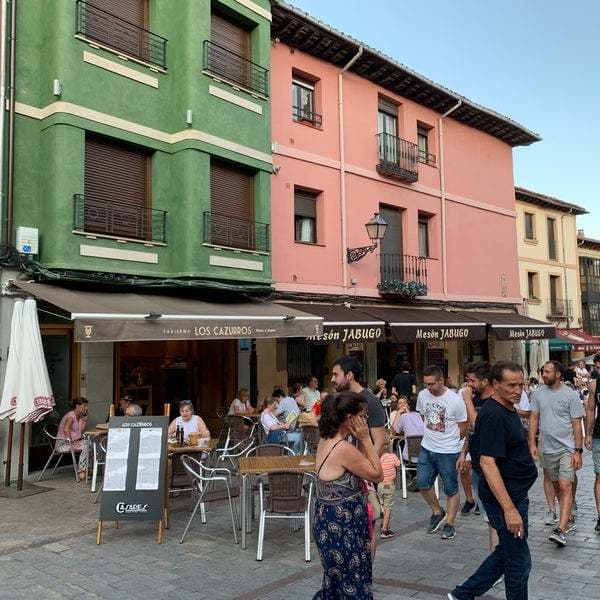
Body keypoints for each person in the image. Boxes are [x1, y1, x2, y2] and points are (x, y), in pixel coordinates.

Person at [449, 361, 538, 600]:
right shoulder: (493, 415)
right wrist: (509, 509)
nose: (518, 390)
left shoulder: (507, 408)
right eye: (511, 385)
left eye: (521, 384)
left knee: (507, 552)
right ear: (495, 384)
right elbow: (487, 463)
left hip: (516, 493)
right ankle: (463, 594)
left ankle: (462, 594)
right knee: (519, 562)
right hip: (505, 499)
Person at [313, 392, 383, 599]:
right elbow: (377, 474)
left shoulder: (327, 438)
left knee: (337, 583)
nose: (365, 421)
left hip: (329, 519)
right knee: (352, 584)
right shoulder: (342, 448)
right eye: (363, 416)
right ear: (350, 418)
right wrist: (365, 438)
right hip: (343, 524)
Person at [330, 356, 387, 558]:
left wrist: (366, 468)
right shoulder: (340, 401)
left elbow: (381, 439)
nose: (332, 379)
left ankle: (365, 573)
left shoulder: (369, 401)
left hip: (363, 475)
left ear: (349, 375)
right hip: (345, 475)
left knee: (368, 524)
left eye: (336, 374)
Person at [529, 360, 585, 546]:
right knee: (556, 486)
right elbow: (534, 418)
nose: (544, 375)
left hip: (567, 448)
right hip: (547, 448)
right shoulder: (537, 394)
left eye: (547, 372)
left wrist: (578, 451)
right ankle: (566, 516)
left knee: (565, 485)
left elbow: (577, 424)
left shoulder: (570, 395)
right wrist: (532, 443)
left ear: (559, 374)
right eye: (542, 371)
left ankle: (560, 529)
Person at [416, 365, 468, 540]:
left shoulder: (455, 400)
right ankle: (437, 511)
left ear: (441, 380)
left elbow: (463, 427)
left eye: (431, 383)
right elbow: (423, 416)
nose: (428, 387)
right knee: (423, 483)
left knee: (451, 488)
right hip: (427, 447)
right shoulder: (423, 396)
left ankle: (450, 523)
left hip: (448, 451)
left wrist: (455, 446)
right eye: (426, 384)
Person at [457, 362, 499, 554]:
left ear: (485, 381)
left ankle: (497, 560)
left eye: (472, 380)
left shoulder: (494, 402)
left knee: (494, 517)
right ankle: (496, 559)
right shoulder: (475, 401)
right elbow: (472, 432)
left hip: (492, 465)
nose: (468, 384)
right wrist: (463, 452)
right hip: (476, 463)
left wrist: (466, 400)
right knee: (488, 517)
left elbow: (479, 426)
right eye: (467, 380)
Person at [585, 353, 600, 534]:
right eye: (597, 367)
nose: (599, 370)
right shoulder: (595, 385)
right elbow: (590, 410)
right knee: (599, 476)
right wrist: (588, 433)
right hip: (599, 435)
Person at [57, 397, 89, 480]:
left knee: (91, 443)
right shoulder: (71, 416)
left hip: (73, 442)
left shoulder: (80, 417)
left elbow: (80, 431)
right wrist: (71, 443)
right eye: (84, 405)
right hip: (63, 444)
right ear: (77, 406)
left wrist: (84, 419)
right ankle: (81, 472)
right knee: (86, 446)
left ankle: (88, 469)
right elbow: (66, 429)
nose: (86, 408)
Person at [378, 432, 400, 539]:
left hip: (380, 485)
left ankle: (383, 524)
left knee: (383, 506)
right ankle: (384, 530)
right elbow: (398, 465)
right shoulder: (392, 457)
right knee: (388, 508)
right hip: (389, 485)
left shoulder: (378, 458)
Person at [273, 387, 303, 453]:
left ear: (280, 396)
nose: (277, 402)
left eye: (277, 400)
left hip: (289, 428)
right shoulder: (291, 399)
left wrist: (272, 407)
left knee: (273, 427)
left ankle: (275, 450)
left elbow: (274, 415)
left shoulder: (282, 402)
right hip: (296, 425)